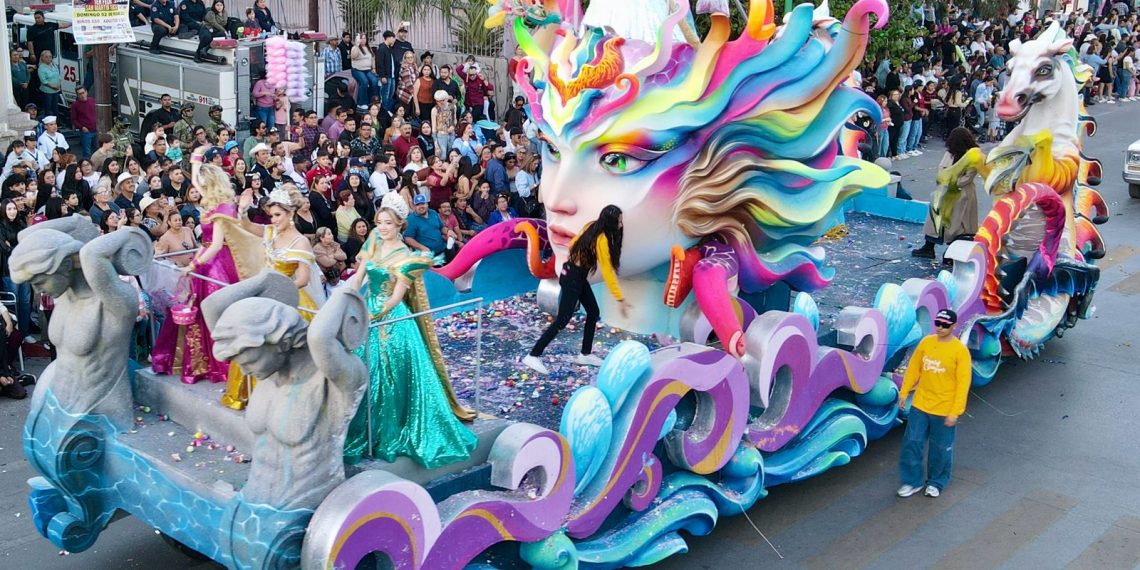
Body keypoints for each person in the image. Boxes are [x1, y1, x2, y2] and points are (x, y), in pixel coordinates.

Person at [343, 192, 476, 467]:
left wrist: (371, 315)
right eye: (379, 222)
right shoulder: (373, 240)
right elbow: (358, 277)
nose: (382, 227)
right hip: (367, 309)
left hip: (392, 321)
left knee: (389, 375)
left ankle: (388, 432)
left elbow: (395, 298)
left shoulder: (406, 255)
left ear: (399, 224)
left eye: (388, 223)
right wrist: (349, 303)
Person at [151, 152, 251, 385]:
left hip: (218, 263)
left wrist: (192, 266)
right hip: (205, 260)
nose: (199, 186)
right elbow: (206, 243)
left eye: (203, 183)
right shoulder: (212, 205)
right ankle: (201, 362)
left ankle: (220, 362)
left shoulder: (223, 208)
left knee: (214, 310)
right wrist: (196, 159)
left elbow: (216, 244)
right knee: (199, 311)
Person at [523, 205, 630, 374]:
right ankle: (533, 355)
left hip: (574, 273)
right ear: (611, 222)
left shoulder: (591, 226)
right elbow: (608, 272)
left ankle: (585, 354)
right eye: (619, 221)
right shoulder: (601, 239)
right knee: (562, 320)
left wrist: (581, 260)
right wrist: (620, 299)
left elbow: (573, 243)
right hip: (574, 277)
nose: (621, 224)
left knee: (593, 312)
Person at [896, 309, 972, 499]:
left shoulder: (960, 351)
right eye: (938, 323)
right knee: (912, 443)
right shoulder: (926, 343)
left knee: (940, 448)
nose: (940, 327)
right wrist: (904, 391)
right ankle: (912, 481)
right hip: (920, 404)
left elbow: (963, 384)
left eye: (945, 325)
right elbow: (914, 368)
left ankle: (936, 482)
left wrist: (955, 412)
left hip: (944, 409)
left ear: (954, 326)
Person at [912, 127, 980, 260]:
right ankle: (928, 247)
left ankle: (952, 253)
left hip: (962, 194)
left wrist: (951, 183)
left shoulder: (973, 156)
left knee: (959, 225)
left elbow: (967, 177)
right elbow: (941, 169)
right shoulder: (950, 153)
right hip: (945, 191)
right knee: (935, 220)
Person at [350, 34, 378, 110]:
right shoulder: (355, 48)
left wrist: (374, 68)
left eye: (364, 38)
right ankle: (361, 103)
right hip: (357, 69)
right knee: (364, 81)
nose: (363, 40)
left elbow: (372, 58)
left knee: (374, 81)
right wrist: (357, 44)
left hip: (367, 69)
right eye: (361, 38)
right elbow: (353, 56)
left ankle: (373, 100)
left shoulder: (368, 48)